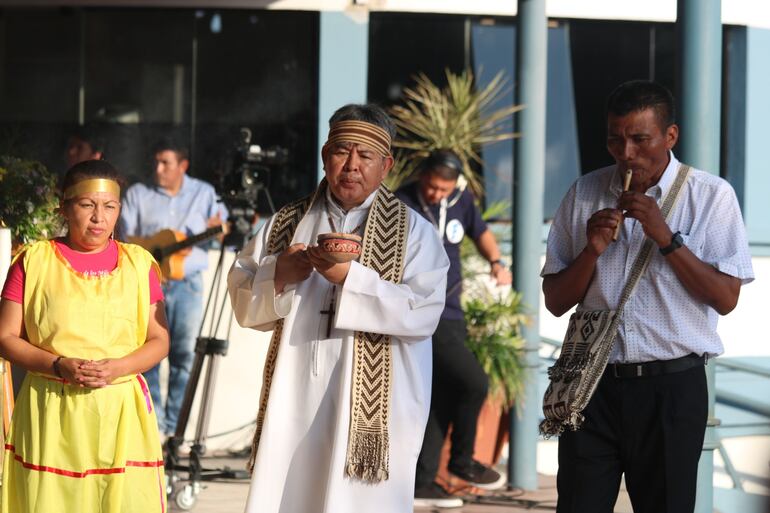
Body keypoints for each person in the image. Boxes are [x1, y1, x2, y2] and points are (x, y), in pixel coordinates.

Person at [542, 80, 754, 513]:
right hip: (591, 384)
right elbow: (556, 301)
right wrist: (591, 251)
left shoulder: (711, 196)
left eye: (640, 139)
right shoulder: (583, 192)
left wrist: (665, 237)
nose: (626, 153)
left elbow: (726, 298)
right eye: (615, 140)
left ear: (670, 135)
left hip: (671, 388)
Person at [227, 103, 450, 513]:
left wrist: (350, 279)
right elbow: (242, 296)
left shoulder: (415, 232)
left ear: (386, 166)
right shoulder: (286, 223)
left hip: (372, 415)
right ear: (325, 155)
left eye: (365, 156)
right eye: (342, 152)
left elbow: (424, 310)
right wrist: (279, 273)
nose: (351, 166)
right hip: (294, 396)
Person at [0, 160, 170, 513]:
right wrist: (58, 364)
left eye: (109, 206)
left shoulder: (138, 264)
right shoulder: (33, 261)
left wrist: (118, 368)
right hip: (52, 408)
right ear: (64, 208)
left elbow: (159, 339)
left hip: (119, 410)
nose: (99, 218)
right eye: (87, 205)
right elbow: (5, 337)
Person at [395, 150, 511, 508]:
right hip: (422, 314)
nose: (436, 194)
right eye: (432, 187)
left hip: (453, 313)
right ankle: (462, 460)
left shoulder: (462, 201)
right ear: (422, 176)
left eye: (443, 189)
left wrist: (497, 262)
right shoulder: (401, 203)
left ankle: (423, 481)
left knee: (442, 398)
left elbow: (481, 232)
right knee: (474, 382)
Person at [118, 139, 227, 437]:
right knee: (148, 357)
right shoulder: (138, 194)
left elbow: (224, 234)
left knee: (184, 357)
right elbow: (126, 240)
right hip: (149, 286)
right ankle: (153, 429)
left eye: (165, 162)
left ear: (183, 166)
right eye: (156, 161)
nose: (158, 168)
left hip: (187, 285)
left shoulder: (204, 193)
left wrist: (220, 231)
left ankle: (176, 432)